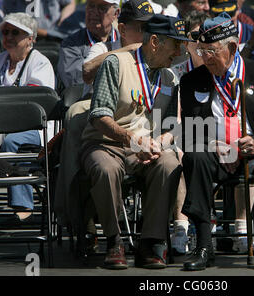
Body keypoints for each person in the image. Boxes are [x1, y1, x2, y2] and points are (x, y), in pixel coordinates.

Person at [179, 12, 254, 271]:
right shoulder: (192, 80)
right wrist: (215, 145)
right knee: (195, 155)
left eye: (211, 51)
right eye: (201, 50)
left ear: (232, 48)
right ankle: (203, 245)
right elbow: (190, 130)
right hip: (216, 152)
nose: (204, 57)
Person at [80, 14, 189, 269]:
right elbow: (99, 116)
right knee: (105, 169)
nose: (180, 52)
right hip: (106, 143)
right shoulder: (115, 62)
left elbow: (174, 123)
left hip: (148, 146)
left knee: (170, 164)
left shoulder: (170, 77)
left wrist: (161, 142)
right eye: (175, 44)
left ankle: (151, 242)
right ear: (154, 41)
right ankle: (114, 240)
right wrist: (133, 140)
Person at [54, 0, 154, 257]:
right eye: (139, 28)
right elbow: (86, 72)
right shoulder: (102, 47)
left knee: (173, 142)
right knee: (78, 117)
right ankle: (80, 215)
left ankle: (166, 232)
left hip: (137, 116)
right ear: (123, 28)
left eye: (148, 29)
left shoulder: (156, 50)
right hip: (98, 114)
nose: (145, 34)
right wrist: (132, 50)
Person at [0, 13, 55, 222]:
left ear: (30, 38)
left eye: (15, 32)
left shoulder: (40, 63)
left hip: (31, 128)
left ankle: (23, 207)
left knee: (12, 141)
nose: (9, 36)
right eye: (5, 32)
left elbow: (36, 102)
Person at [169, 10, 207, 255]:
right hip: (184, 132)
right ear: (186, 41)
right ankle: (181, 226)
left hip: (217, 134)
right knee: (181, 155)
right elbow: (175, 118)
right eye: (196, 35)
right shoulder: (176, 72)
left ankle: (242, 227)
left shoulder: (224, 69)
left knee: (238, 149)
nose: (202, 40)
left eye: (207, 35)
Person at [57, 0, 121, 92]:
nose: (94, 12)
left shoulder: (124, 42)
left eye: (102, 8)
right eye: (91, 6)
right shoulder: (71, 44)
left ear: (116, 14)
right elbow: (75, 83)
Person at [3, 0, 76, 40]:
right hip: (22, 41)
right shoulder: (8, 2)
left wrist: (62, 21)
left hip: (54, 39)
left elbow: (70, 3)